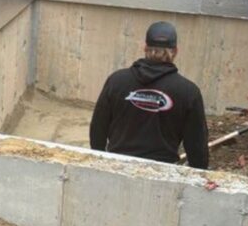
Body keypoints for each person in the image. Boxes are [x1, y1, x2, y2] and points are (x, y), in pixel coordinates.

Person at [89, 21, 209, 168]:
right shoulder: (189, 92)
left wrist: (101, 163)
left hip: (117, 167)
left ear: (145, 47)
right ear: (176, 51)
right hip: (162, 173)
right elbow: (197, 145)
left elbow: (97, 129)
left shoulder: (116, 81)